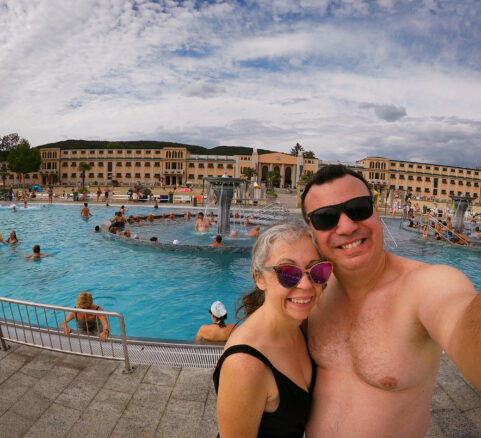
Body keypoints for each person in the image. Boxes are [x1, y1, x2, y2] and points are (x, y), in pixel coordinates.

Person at [301, 164, 481, 438]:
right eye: (326, 218)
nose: (347, 226)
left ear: (376, 210)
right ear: (311, 229)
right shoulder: (311, 291)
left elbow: (460, 320)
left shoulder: (425, 285)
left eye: (358, 208)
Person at [214, 222, 332, 437]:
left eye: (316, 270)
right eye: (288, 273)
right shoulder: (246, 364)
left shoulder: (301, 324)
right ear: (260, 279)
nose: (306, 285)